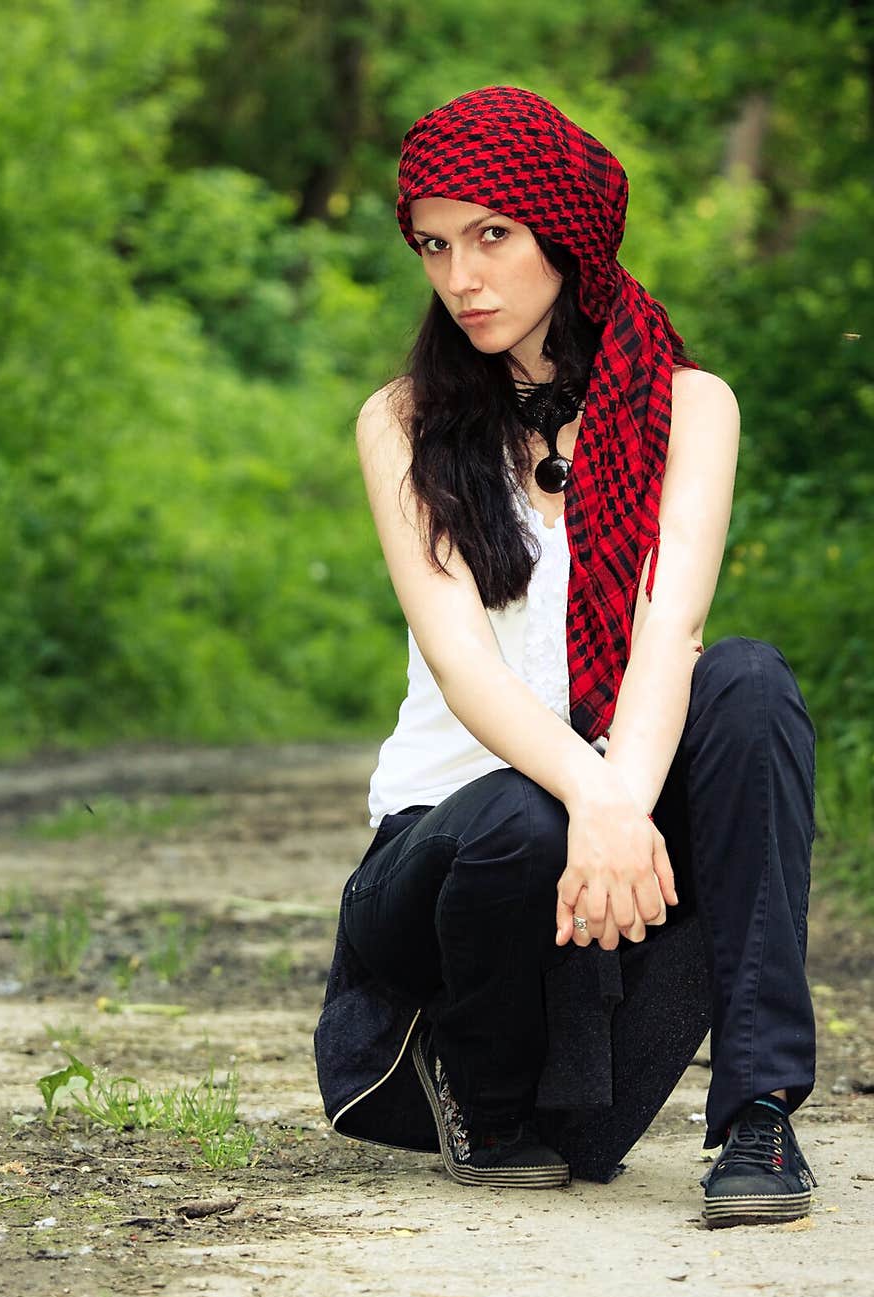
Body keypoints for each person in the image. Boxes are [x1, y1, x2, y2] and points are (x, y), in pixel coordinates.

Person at [314, 86, 818, 1228]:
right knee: (518, 811)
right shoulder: (399, 421)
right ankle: (476, 1086)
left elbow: (666, 635)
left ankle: (758, 1115)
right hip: (445, 861)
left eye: (490, 234)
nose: (460, 277)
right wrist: (597, 797)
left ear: (565, 231)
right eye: (434, 245)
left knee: (746, 682)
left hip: (592, 867)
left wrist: (612, 811)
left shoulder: (691, 407)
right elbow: (465, 670)